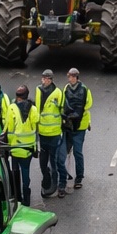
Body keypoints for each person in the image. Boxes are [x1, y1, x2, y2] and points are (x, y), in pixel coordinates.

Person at [34, 69, 66, 198]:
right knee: (43, 161)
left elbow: (63, 109)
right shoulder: (38, 90)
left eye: (45, 78)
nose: (43, 80)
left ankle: (55, 183)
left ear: (50, 80)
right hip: (42, 133)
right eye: (42, 78)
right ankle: (46, 178)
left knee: (54, 161)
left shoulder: (58, 93)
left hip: (54, 134)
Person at [61, 67, 92, 190]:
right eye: (69, 76)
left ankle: (79, 177)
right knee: (66, 151)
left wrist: (76, 113)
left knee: (78, 152)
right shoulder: (66, 88)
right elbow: (64, 103)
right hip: (69, 124)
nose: (71, 79)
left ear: (76, 77)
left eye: (73, 77)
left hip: (80, 125)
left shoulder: (84, 89)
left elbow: (88, 104)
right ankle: (67, 174)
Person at [9, 85, 38, 205]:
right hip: (28, 148)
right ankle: (27, 199)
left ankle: (17, 198)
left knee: (15, 171)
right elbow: (36, 122)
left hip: (15, 148)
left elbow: (9, 128)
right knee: (26, 173)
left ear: (17, 97)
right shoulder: (33, 109)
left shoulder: (12, 109)